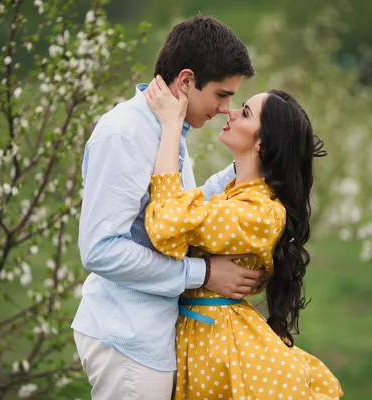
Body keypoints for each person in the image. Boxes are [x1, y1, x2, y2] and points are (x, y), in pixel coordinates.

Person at [71, 15, 263, 400]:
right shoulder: (126, 133)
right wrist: (204, 272)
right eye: (222, 94)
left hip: (147, 333)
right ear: (187, 80)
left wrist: (252, 162)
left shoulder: (166, 128)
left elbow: (179, 212)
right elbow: (100, 250)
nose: (227, 109)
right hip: (127, 337)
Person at [143, 75, 344, 399]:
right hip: (203, 335)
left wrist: (170, 126)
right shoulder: (234, 194)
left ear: (262, 143)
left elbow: (165, 223)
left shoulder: (261, 212)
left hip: (222, 349)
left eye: (246, 113)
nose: (231, 113)